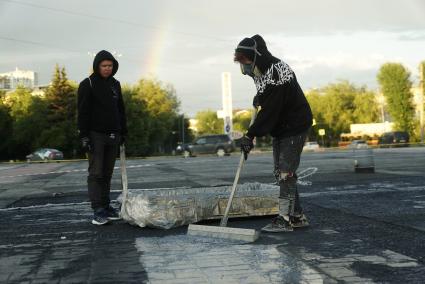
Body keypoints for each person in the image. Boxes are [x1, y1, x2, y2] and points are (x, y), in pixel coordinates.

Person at [234, 35, 313, 232]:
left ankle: (284, 218)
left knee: (286, 172)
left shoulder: (276, 71)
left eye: (244, 61)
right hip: (282, 126)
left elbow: (271, 109)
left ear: (255, 55)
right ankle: (296, 216)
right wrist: (259, 96)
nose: (243, 66)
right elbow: (268, 98)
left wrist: (250, 135)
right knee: (281, 173)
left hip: (294, 123)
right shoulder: (259, 70)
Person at [77, 50, 128, 225]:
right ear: (97, 66)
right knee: (96, 173)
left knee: (107, 173)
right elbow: (82, 112)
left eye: (110, 65)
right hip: (95, 135)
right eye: (104, 65)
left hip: (113, 135)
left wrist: (123, 132)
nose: (107, 68)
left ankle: (106, 207)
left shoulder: (115, 84)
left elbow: (120, 109)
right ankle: (97, 210)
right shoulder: (88, 84)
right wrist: (84, 136)